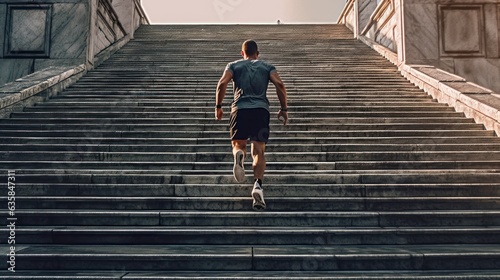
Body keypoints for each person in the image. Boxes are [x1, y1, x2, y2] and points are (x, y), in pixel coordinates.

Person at [215, 40, 288, 211]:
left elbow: (222, 83)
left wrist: (218, 107)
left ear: (242, 53)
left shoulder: (233, 65)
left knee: (239, 145)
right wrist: (284, 109)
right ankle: (257, 185)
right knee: (259, 151)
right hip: (261, 112)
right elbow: (280, 84)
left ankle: (239, 154)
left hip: (239, 110)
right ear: (258, 53)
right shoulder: (267, 66)